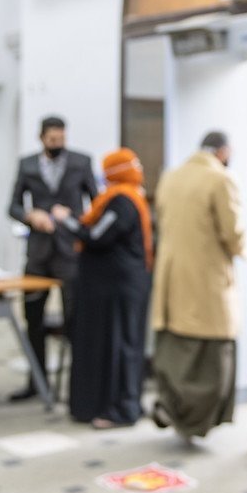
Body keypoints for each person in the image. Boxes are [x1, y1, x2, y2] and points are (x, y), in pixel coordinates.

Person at [150, 131, 246, 441]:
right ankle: (191, 419)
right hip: (207, 282)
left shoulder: (171, 177)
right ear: (223, 152)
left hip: (171, 280)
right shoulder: (220, 180)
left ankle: (171, 406)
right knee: (211, 358)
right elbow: (233, 234)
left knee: (175, 349)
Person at [51, 148, 154, 429]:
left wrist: (65, 219)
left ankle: (120, 409)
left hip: (116, 288)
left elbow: (96, 236)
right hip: (122, 286)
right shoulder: (130, 198)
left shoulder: (122, 200)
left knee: (119, 346)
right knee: (127, 344)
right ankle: (126, 402)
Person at [7, 115, 98, 401]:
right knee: (33, 318)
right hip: (38, 253)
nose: (58, 144)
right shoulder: (28, 165)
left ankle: (76, 384)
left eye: (62, 139)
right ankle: (37, 381)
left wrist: (72, 220)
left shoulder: (81, 163)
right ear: (42, 138)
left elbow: (95, 205)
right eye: (52, 140)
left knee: (74, 319)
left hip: (69, 252)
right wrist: (29, 216)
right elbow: (12, 205)